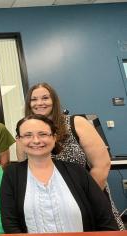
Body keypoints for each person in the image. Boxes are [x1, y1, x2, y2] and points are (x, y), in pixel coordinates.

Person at [19, 82, 124, 229]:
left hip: (89, 203)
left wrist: (85, 199)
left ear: (54, 101)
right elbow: (24, 172)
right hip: (48, 210)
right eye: (34, 99)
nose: (39, 103)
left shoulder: (76, 123)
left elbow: (102, 164)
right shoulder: (24, 133)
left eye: (45, 98)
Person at [0, 114, 118, 233]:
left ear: (54, 137)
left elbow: (105, 218)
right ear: (19, 140)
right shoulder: (11, 174)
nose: (36, 140)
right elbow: (10, 223)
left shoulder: (77, 171)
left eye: (43, 134)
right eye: (27, 135)